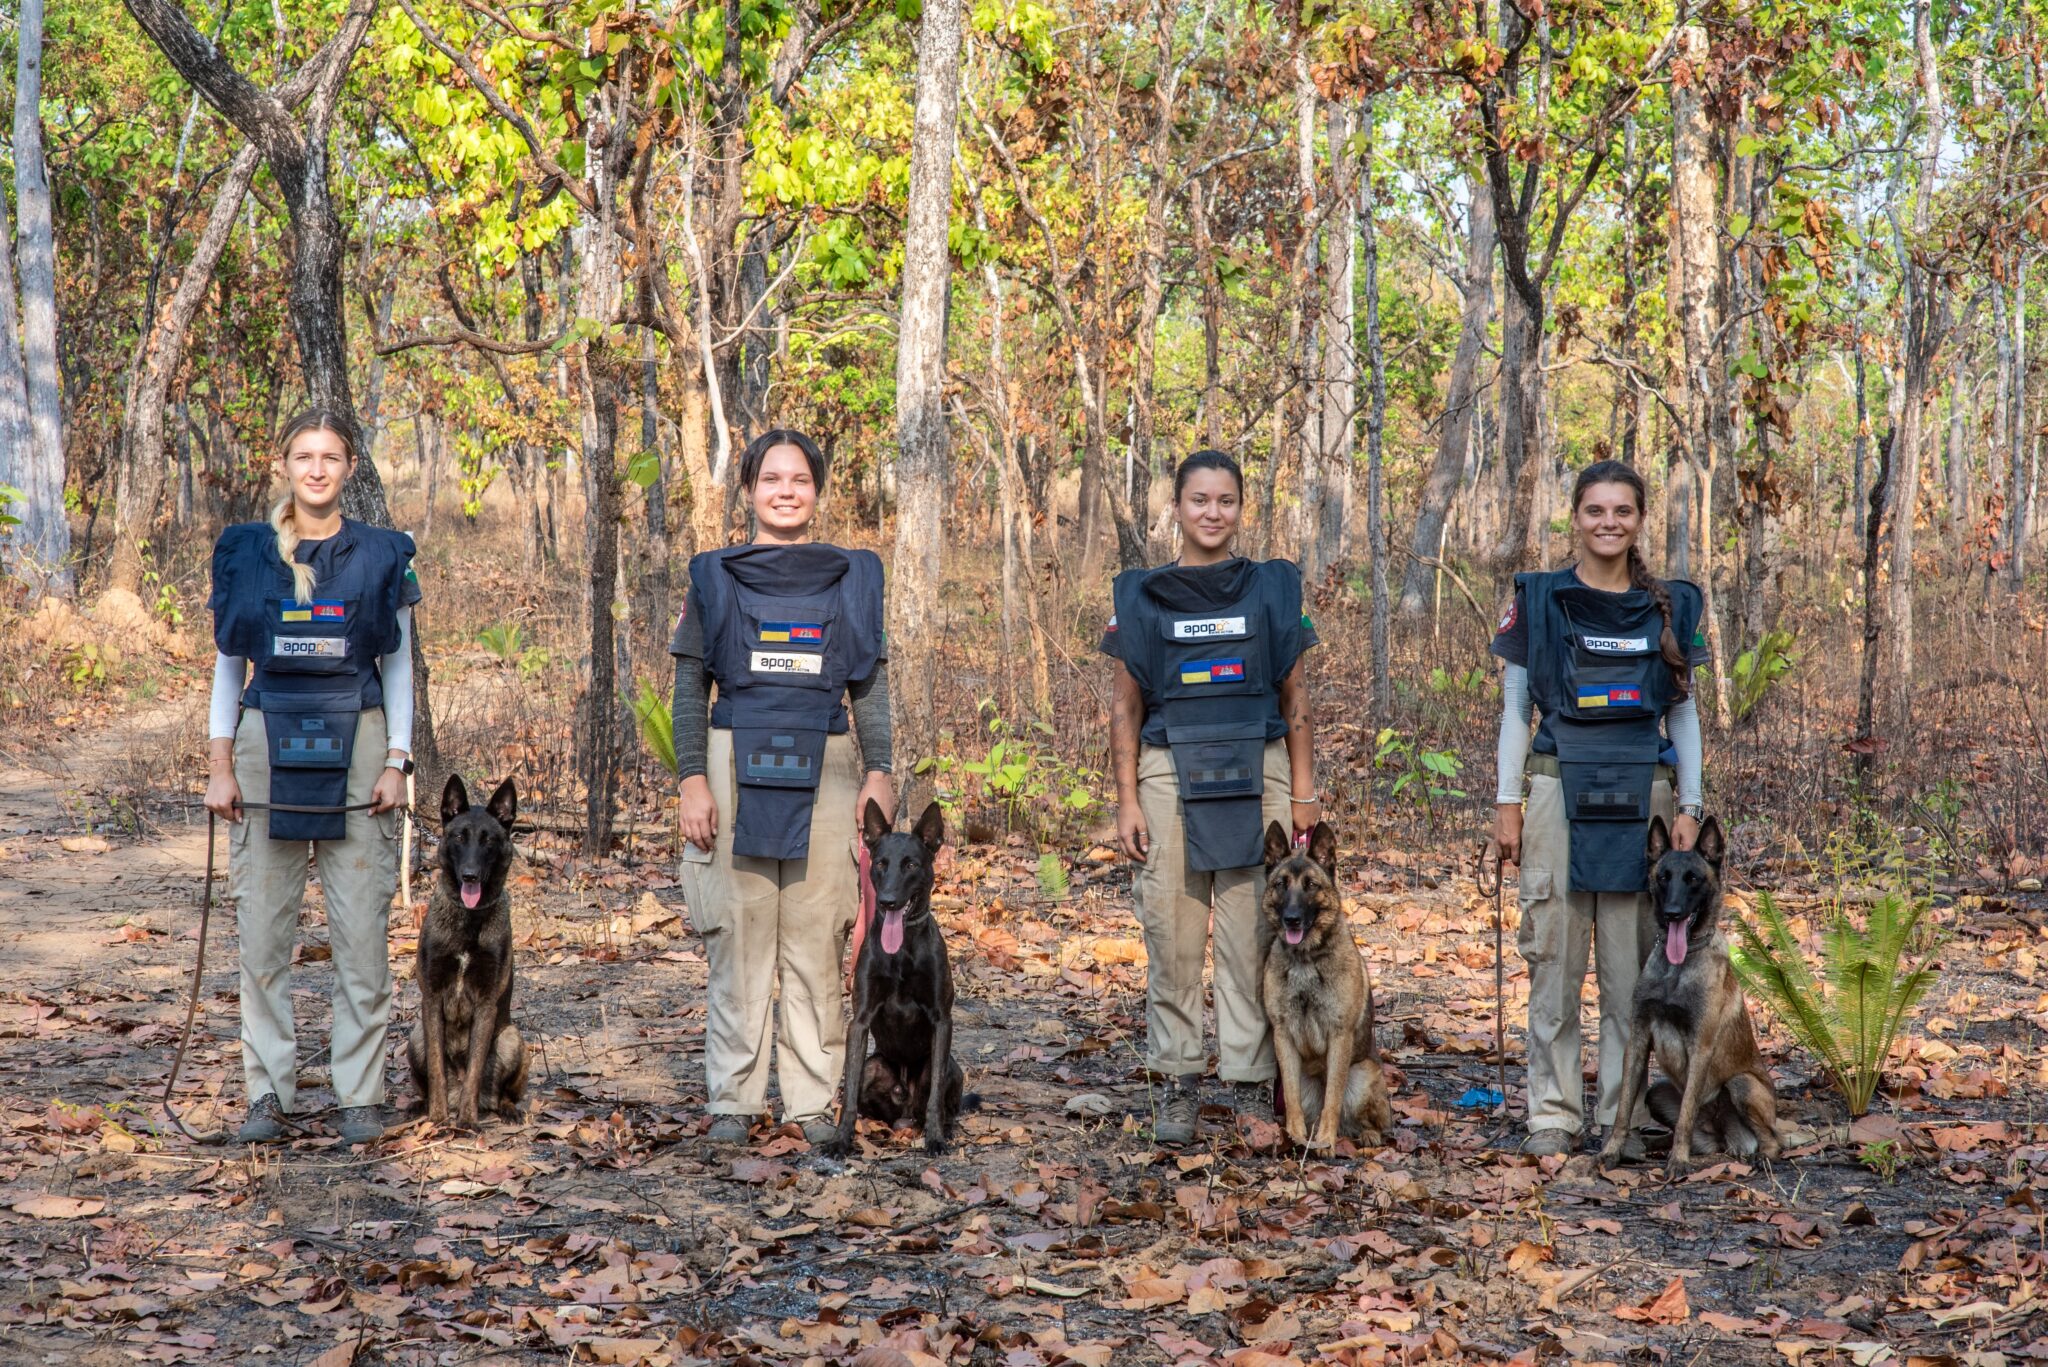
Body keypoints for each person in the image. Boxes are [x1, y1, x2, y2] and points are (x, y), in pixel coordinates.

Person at [671, 429, 894, 1146]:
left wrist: (880, 770)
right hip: (734, 757)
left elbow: (871, 687)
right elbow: (687, 688)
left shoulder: (853, 577)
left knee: (813, 935)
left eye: (799, 479)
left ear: (817, 491)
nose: (786, 490)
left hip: (826, 765)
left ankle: (808, 1102)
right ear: (748, 490)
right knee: (738, 935)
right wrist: (692, 778)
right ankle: (734, 1102)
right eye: (771, 478)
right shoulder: (714, 576)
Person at [204, 408, 420, 1146]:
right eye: (304, 455)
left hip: (357, 741)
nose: (317, 469)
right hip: (268, 738)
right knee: (264, 930)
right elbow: (230, 662)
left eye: (330, 456)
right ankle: (269, 1092)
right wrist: (220, 763)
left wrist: (397, 760)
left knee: (362, 927)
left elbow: (399, 669)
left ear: (350, 466)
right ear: (284, 464)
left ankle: (361, 1092)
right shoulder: (247, 552)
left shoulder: (384, 554)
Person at [1491, 459, 1710, 1158]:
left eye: (1622, 510)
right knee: (1553, 957)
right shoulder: (1540, 598)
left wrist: (1690, 802)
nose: (1608, 522)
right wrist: (1508, 801)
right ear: (1575, 517)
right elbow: (1513, 712)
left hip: (1641, 797)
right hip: (1557, 789)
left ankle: (1626, 1116)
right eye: (1595, 510)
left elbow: (1685, 715)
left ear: (1639, 519)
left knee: (1631, 968)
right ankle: (1552, 1115)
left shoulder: (1670, 604)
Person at [1104, 450, 1321, 1145]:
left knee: (1251, 937)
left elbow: (1295, 696)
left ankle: (1254, 1085)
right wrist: (1129, 798)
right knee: (1172, 935)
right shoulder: (1144, 596)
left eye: (1226, 500)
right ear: (1177, 506)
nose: (1212, 512)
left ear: (1240, 508)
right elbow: (1124, 707)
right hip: (1170, 771)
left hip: (1258, 771)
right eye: (1199, 499)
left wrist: (1304, 790)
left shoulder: (1271, 589)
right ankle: (1175, 1084)